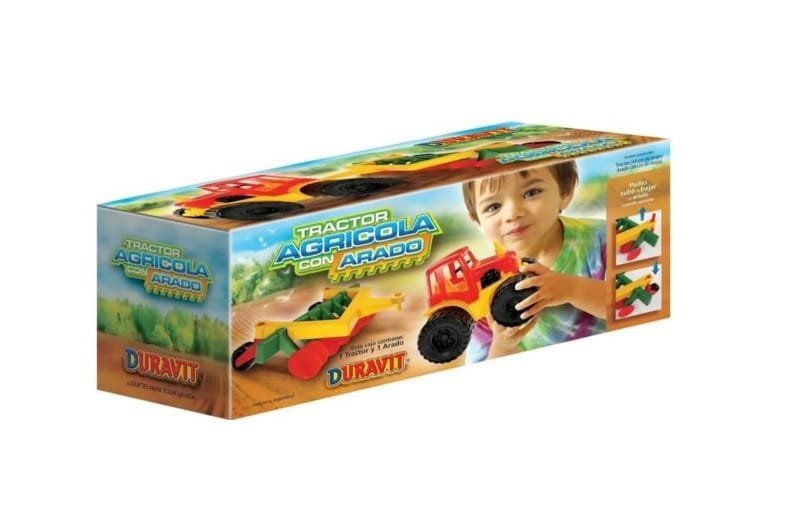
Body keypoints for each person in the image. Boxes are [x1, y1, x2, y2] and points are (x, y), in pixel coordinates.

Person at [461, 161, 607, 361]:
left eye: (531, 193)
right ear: (477, 220)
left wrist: (571, 289)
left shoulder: (602, 238)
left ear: (565, 192)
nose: (512, 213)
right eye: (493, 206)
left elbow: (634, 302)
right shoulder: (483, 290)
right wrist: (503, 345)